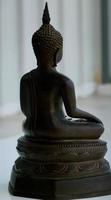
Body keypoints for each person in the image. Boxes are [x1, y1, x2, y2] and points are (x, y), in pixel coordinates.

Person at [20, 3, 104, 140]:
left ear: (35, 51)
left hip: (29, 128)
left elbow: (26, 111)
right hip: (55, 129)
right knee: (98, 128)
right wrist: (95, 119)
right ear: (58, 52)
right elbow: (73, 112)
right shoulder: (63, 81)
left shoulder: (26, 79)